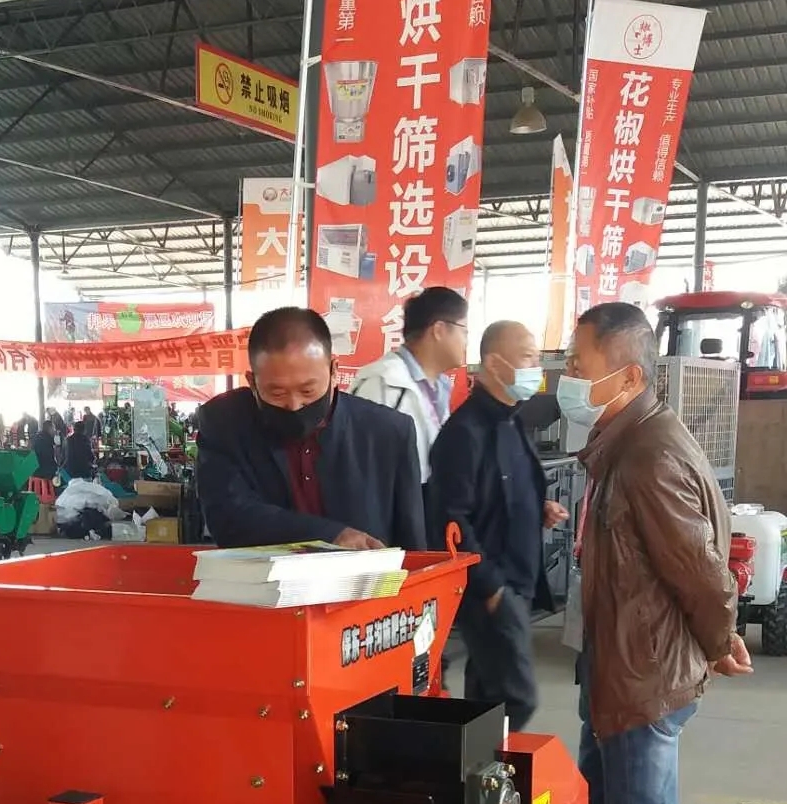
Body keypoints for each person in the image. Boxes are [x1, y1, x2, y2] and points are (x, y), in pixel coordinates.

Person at [564, 303, 746, 804]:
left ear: (629, 375)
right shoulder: (628, 440)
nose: (568, 378)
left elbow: (701, 572)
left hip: (643, 677)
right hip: (618, 666)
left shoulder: (648, 456)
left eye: (578, 365)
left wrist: (718, 639)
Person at [428, 320, 565, 731]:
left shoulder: (512, 420)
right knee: (517, 698)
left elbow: (502, 488)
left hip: (518, 579)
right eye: (527, 358)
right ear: (493, 363)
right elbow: (450, 518)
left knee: (487, 694)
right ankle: (482, 761)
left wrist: (537, 507)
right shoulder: (463, 434)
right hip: (493, 587)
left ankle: (476, 763)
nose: (535, 368)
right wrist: (490, 587)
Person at [197, 306, 426, 551]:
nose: (294, 405)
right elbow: (229, 516)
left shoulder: (387, 433)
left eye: (308, 391)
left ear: (334, 371)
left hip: (369, 577)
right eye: (277, 393)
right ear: (253, 382)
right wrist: (330, 535)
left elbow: (411, 544)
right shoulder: (226, 422)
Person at [351, 287, 469, 514]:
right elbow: (361, 469)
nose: (466, 342)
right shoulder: (383, 383)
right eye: (464, 331)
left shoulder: (440, 387)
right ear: (439, 330)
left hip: (426, 510)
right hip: (393, 516)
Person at [31, 417, 58, 481]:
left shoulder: (37, 437)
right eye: (54, 428)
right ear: (50, 429)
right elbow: (49, 458)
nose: (55, 431)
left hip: (35, 470)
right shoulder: (47, 440)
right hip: (44, 472)